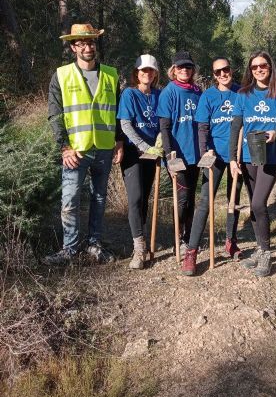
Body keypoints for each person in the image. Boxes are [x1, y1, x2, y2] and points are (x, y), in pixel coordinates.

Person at [44, 23, 124, 265]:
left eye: (91, 41)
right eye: (82, 43)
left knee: (99, 198)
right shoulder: (61, 75)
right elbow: (55, 115)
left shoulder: (111, 74)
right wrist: (64, 147)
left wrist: (119, 141)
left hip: (104, 147)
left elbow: (118, 111)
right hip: (75, 151)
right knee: (70, 200)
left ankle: (94, 244)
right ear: (73, 47)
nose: (88, 46)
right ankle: (69, 248)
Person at [229, 51, 276, 277]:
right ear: (250, 69)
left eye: (263, 65)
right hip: (249, 156)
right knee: (254, 204)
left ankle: (266, 254)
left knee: (258, 204)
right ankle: (260, 248)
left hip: (273, 157)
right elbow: (235, 128)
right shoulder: (243, 95)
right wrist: (232, 159)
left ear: (270, 67)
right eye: (255, 66)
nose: (259, 69)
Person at [181, 57, 243, 276]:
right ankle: (191, 252)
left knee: (233, 201)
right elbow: (202, 127)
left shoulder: (241, 93)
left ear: (231, 70)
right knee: (205, 203)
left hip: (237, 156)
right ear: (214, 75)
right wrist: (205, 150)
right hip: (215, 156)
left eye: (226, 70)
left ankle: (230, 241)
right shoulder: (208, 96)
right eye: (218, 72)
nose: (223, 74)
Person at [117, 54, 163, 270]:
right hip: (134, 153)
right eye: (143, 70)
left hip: (153, 154)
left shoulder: (159, 94)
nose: (147, 74)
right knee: (135, 198)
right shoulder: (129, 94)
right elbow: (126, 125)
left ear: (155, 73)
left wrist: (161, 140)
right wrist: (144, 146)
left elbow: (164, 120)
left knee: (144, 198)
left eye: (151, 70)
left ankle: (142, 239)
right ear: (137, 73)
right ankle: (138, 249)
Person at [156, 51, 202, 255]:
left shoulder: (198, 91)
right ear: (173, 70)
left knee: (192, 197)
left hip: (195, 155)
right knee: (182, 198)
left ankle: (190, 236)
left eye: (188, 67)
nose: (184, 70)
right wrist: (169, 155)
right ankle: (180, 238)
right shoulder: (169, 92)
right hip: (177, 156)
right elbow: (164, 128)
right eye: (180, 67)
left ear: (193, 70)